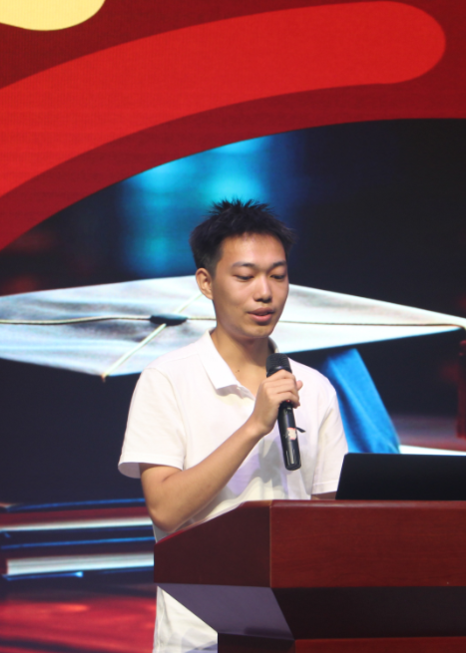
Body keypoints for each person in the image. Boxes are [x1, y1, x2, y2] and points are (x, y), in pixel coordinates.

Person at [118, 199, 348, 653]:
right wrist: (253, 427)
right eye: (245, 277)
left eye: (278, 276)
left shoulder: (316, 387)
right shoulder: (167, 378)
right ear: (206, 282)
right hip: (201, 636)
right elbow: (165, 509)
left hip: (295, 630)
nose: (265, 293)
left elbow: (330, 516)